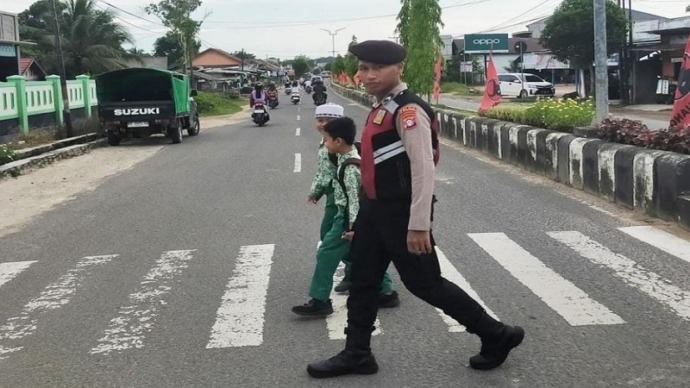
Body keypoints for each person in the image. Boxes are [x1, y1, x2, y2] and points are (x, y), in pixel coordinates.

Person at [306, 40, 524, 379]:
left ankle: (497, 335)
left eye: (377, 67)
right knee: (363, 281)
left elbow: (423, 168)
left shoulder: (408, 111)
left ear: (399, 69)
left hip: (401, 214)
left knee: (426, 285)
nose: (368, 74)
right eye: (364, 67)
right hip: (374, 211)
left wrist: (418, 223)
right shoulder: (382, 107)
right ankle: (357, 353)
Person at [293, 107, 399, 317]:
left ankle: (320, 300)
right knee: (357, 252)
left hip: (347, 215)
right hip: (347, 212)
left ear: (338, 141)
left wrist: (353, 225)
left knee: (326, 252)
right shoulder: (345, 155)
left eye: (330, 138)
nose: (326, 139)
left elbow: (354, 198)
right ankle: (385, 289)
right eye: (319, 120)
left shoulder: (349, 165)